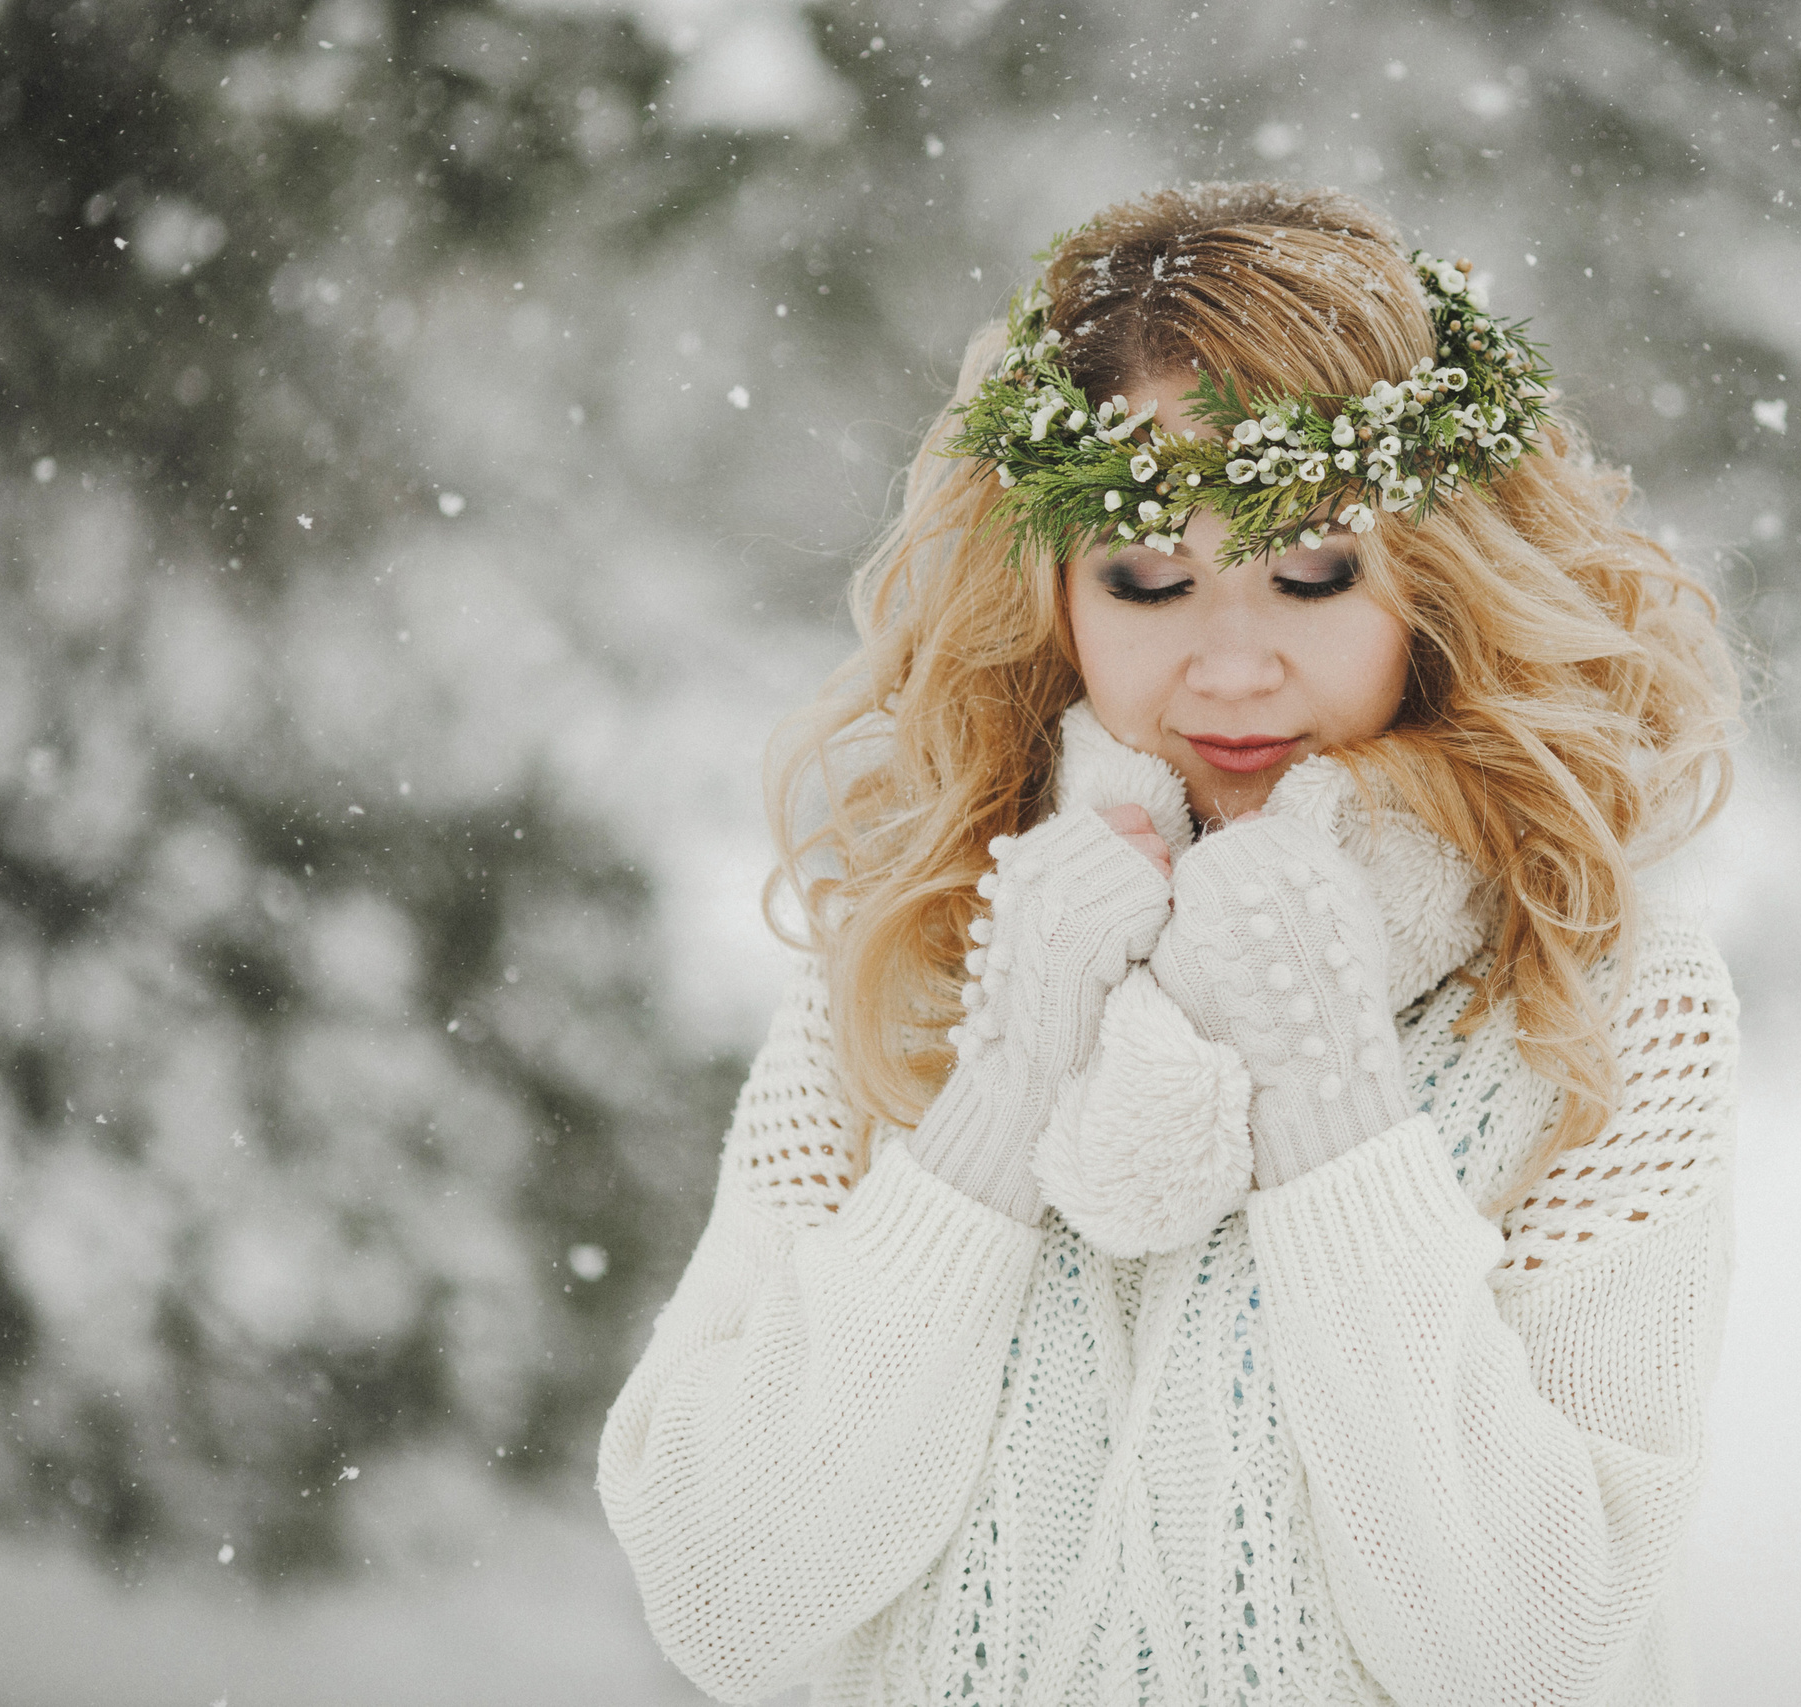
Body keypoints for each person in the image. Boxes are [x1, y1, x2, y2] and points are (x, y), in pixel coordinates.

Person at [596, 180, 1743, 1707]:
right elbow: (728, 1601)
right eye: (1149, 576)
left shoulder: (1601, 999)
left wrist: (1336, 1102)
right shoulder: (927, 955)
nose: (1232, 660)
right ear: (1055, 590)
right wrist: (1001, 1093)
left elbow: (1520, 1649)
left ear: (1435, 581)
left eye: (1312, 571)